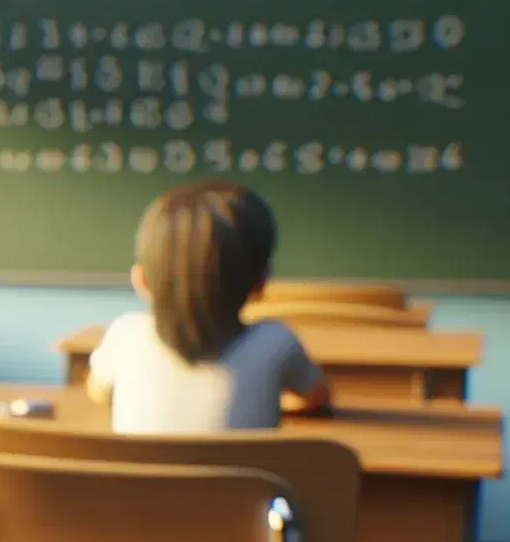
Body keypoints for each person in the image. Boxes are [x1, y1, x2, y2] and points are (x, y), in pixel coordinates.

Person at [86, 182, 331, 433]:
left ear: (142, 281)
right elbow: (316, 398)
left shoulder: (126, 335)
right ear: (261, 283)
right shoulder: (277, 342)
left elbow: (99, 392)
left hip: (140, 473)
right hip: (247, 473)